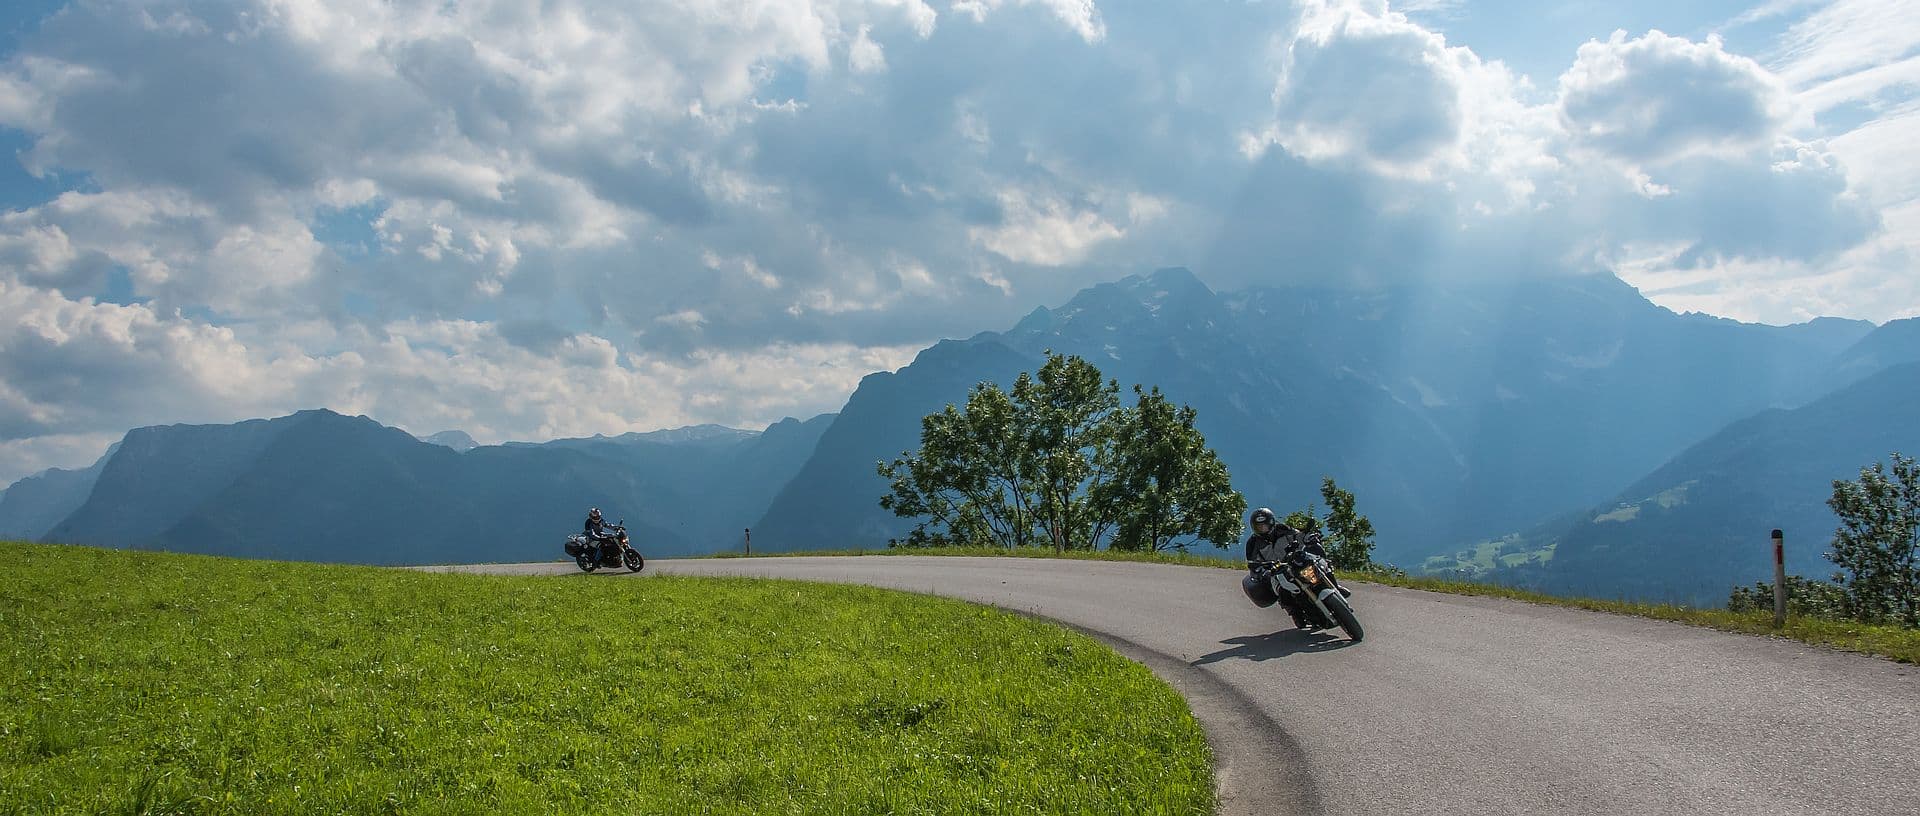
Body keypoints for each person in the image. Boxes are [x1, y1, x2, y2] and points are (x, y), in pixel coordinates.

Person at [1244, 507, 1348, 629]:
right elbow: (1252, 563)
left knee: (1320, 563)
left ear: (1271, 523)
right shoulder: (1253, 543)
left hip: (1295, 560)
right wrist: (1259, 570)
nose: (1263, 529)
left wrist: (1308, 537)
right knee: (1280, 588)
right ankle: (1295, 613)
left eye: (1265, 525)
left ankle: (1334, 586)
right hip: (1276, 570)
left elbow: (1299, 535)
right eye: (1259, 527)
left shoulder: (1282, 529)